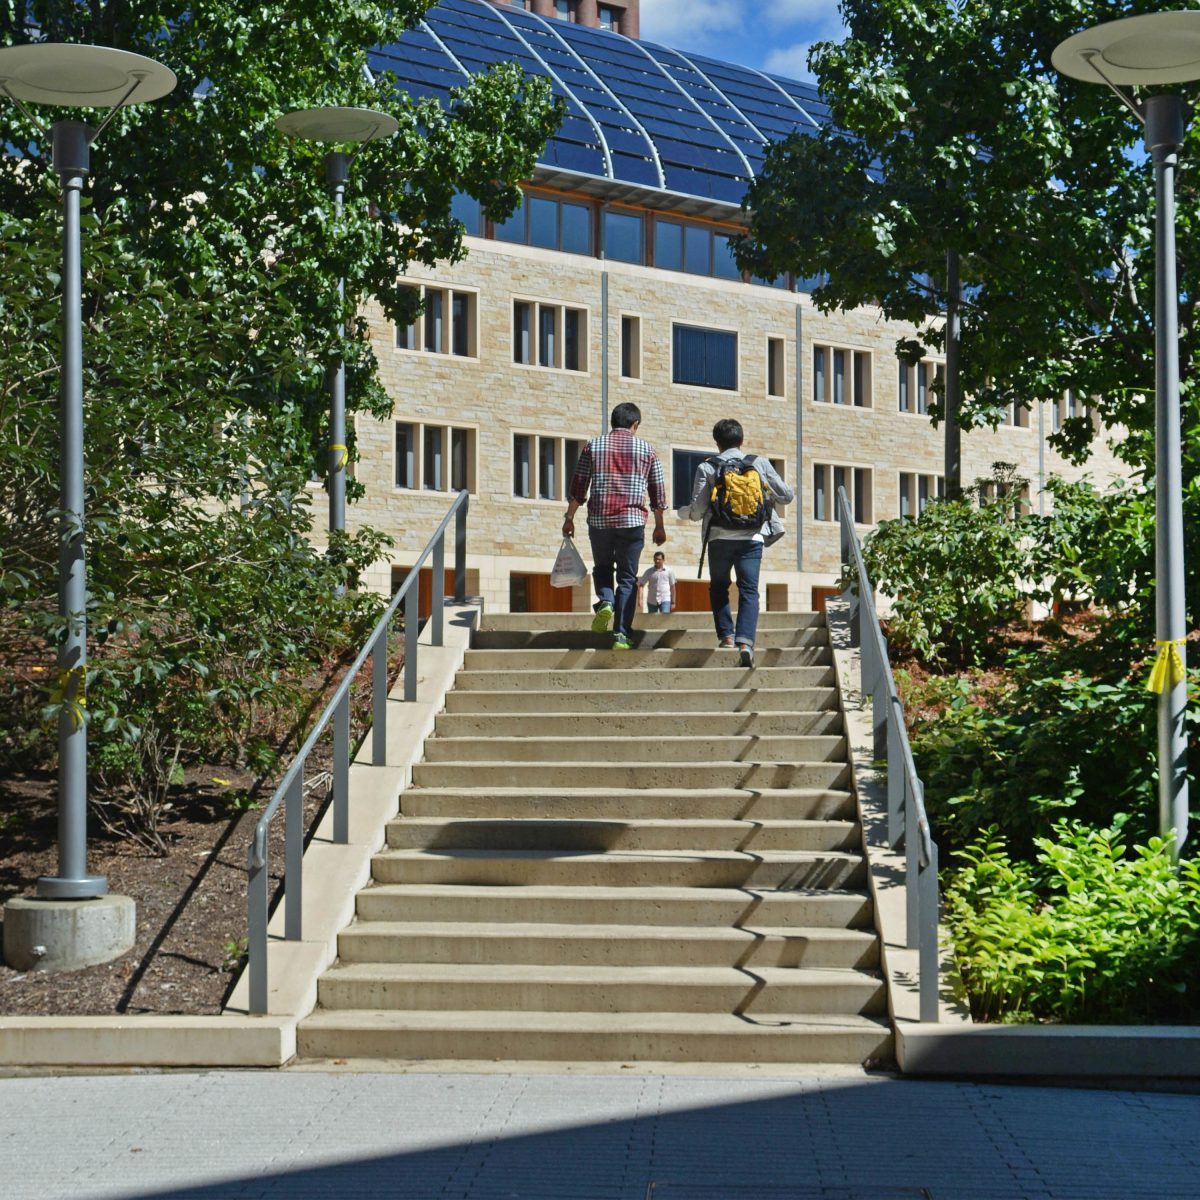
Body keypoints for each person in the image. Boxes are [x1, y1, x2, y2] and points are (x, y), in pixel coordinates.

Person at [678, 417, 794, 668]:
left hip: (719, 539)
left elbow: (697, 511)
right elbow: (786, 496)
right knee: (749, 590)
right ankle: (745, 643)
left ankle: (727, 637)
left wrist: (684, 512)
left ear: (717, 443)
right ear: (741, 440)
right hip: (752, 538)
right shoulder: (758, 463)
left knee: (719, 588)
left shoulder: (707, 467)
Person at [563, 402, 667, 649]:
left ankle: (606, 601)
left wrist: (569, 517)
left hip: (600, 520)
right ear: (635, 424)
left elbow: (579, 486)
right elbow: (658, 492)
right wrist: (659, 526)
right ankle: (621, 634)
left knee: (602, 567)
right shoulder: (647, 450)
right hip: (632, 521)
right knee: (628, 577)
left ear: (612, 422)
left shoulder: (593, 445)